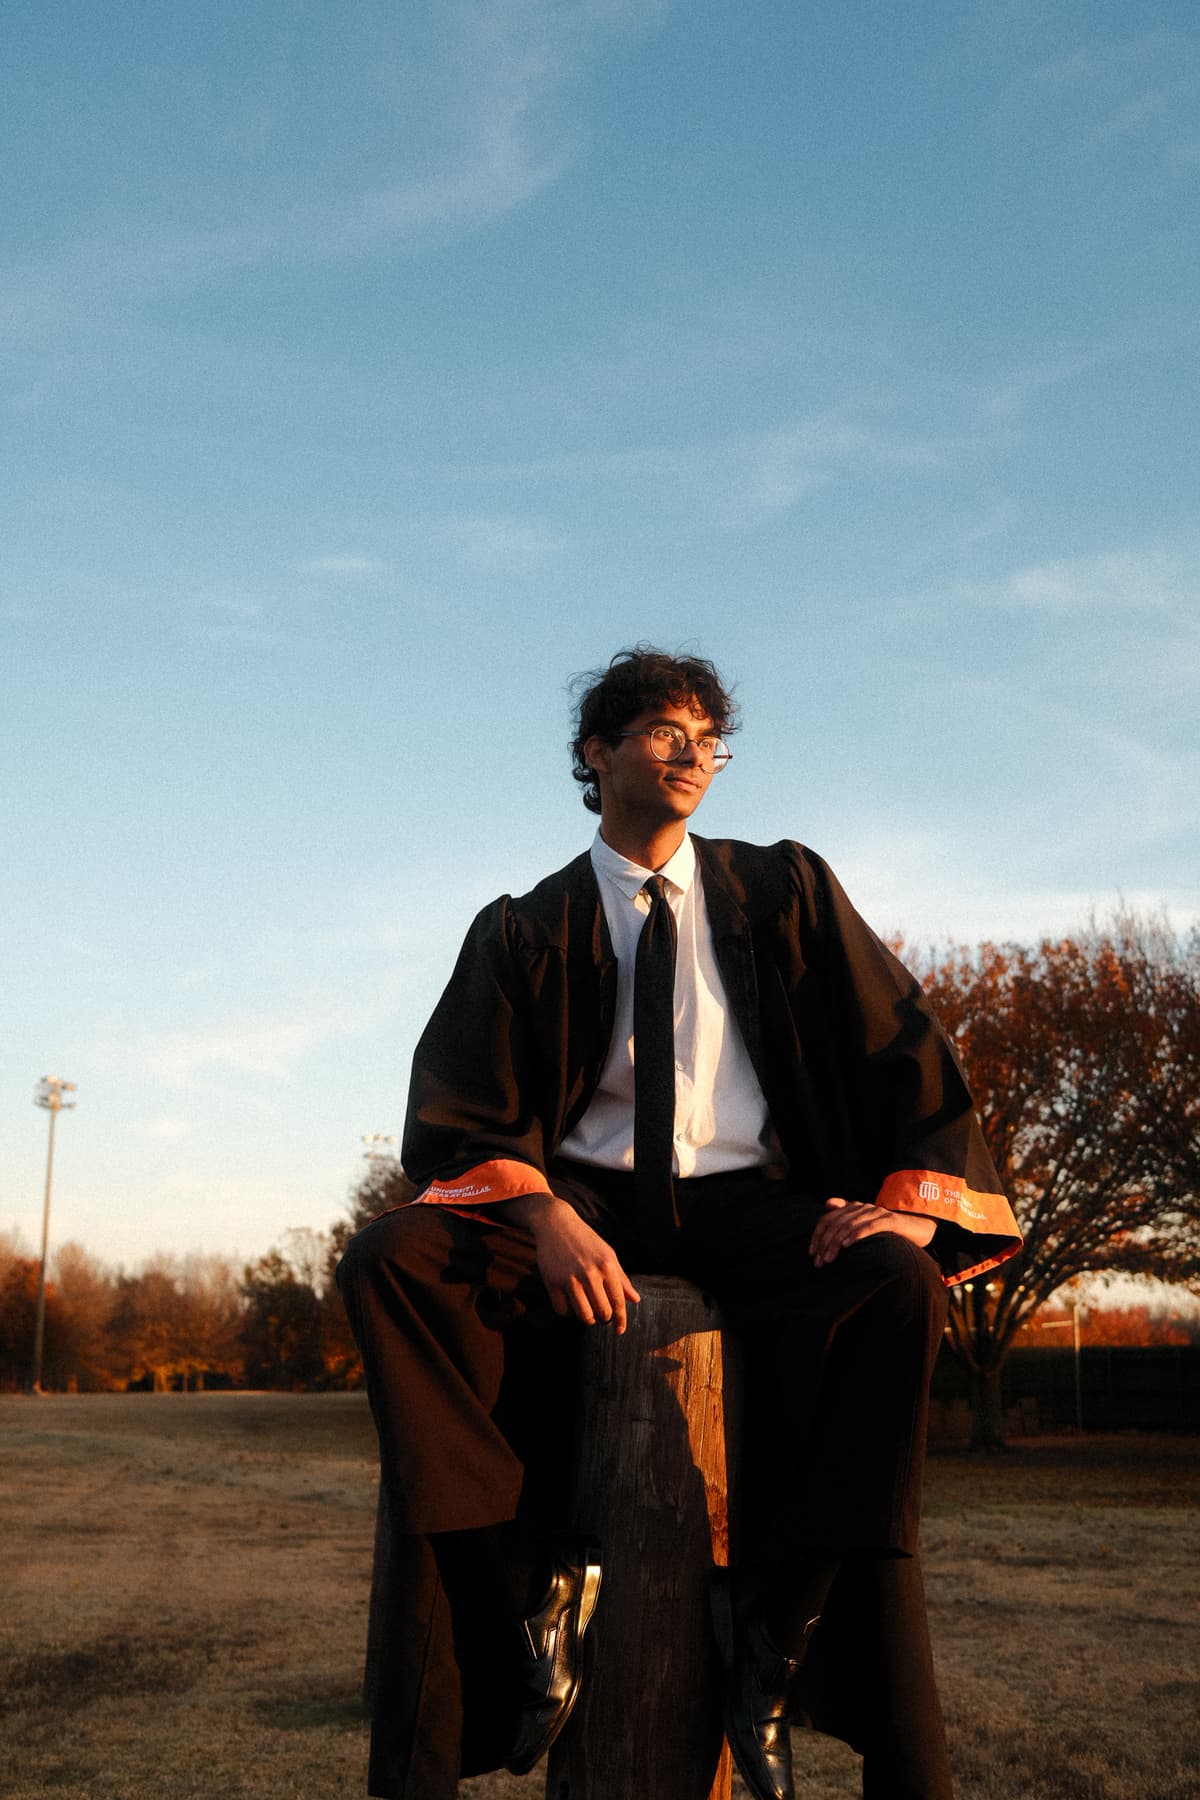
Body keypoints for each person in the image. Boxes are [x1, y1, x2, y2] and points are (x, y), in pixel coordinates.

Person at [337, 645, 1021, 1800]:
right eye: (663, 728)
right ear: (596, 755)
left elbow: (904, 1049)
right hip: (581, 1206)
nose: (695, 749)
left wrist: (910, 1210)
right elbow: (458, 1116)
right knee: (391, 1263)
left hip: (755, 1209)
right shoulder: (522, 929)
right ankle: (533, 1595)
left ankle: (775, 1629)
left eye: (710, 733)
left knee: (889, 1289)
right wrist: (540, 1207)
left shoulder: (785, 893)